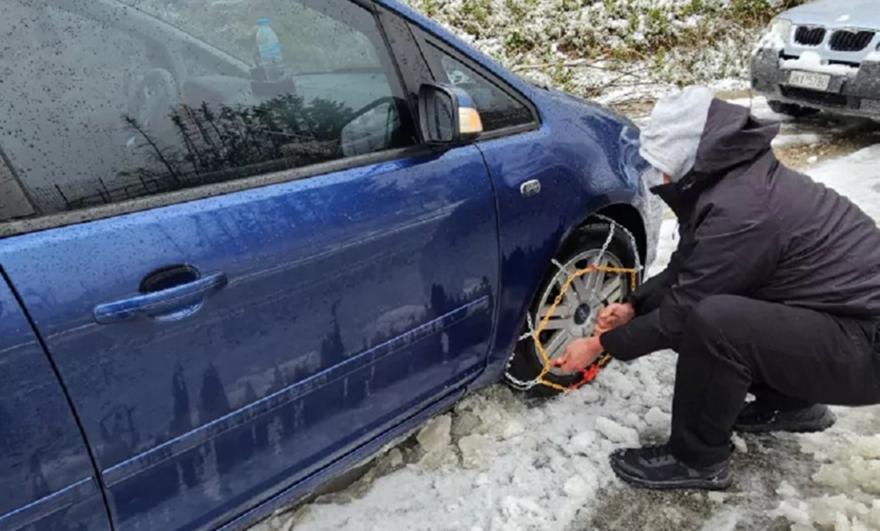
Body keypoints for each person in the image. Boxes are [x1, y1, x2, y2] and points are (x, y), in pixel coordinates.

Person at [553, 86, 880, 490]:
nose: (660, 178)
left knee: (714, 324)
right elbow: (690, 267)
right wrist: (635, 305)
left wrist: (600, 344)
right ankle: (792, 405)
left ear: (690, 156)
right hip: (844, 327)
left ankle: (696, 460)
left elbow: (683, 313)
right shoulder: (732, 183)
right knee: (721, 307)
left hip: (867, 350)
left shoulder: (743, 210)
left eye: (664, 165)